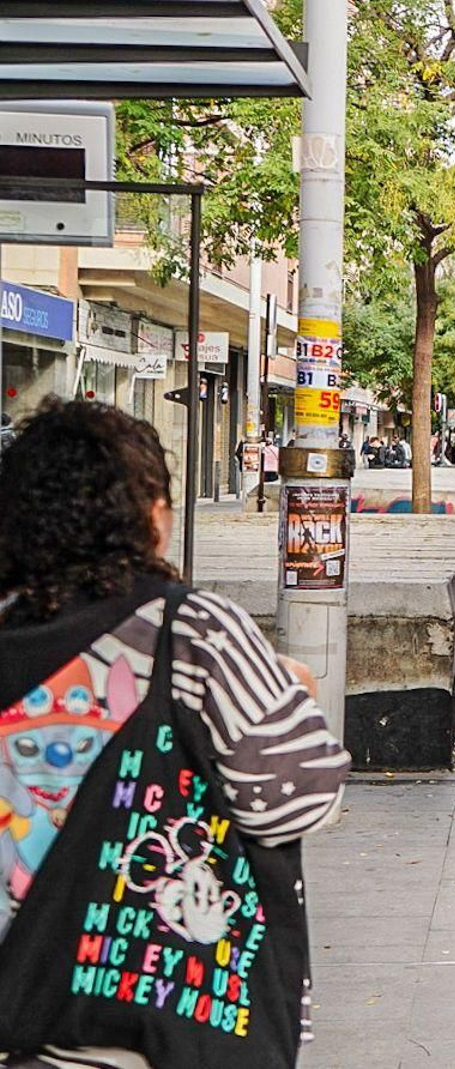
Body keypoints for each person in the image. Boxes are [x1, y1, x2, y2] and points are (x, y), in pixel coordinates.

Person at [0, 400, 350, 1068]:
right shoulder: (191, 631)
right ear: (150, 515)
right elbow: (298, 799)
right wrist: (294, 693)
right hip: (153, 1021)